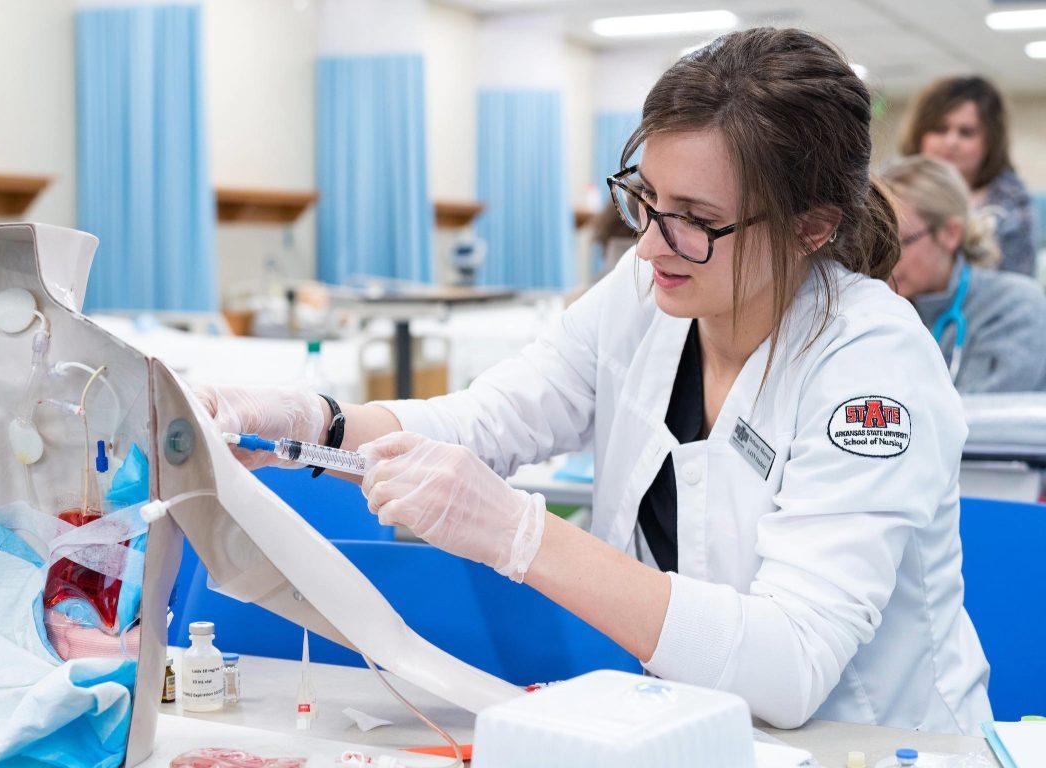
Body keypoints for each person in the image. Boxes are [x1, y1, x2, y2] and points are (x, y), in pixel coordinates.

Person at [200, 28, 991, 733]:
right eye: (644, 200)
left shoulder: (871, 366)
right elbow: (493, 418)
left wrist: (523, 534)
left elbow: (789, 666)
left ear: (810, 226)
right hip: (695, 728)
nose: (650, 245)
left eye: (693, 216)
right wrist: (316, 423)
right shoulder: (649, 289)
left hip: (879, 740)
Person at [880, 155, 1046, 393]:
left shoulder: (1016, 306)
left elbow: (985, 420)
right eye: (878, 245)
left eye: (900, 242)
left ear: (950, 233)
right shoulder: (886, 314)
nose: (886, 260)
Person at [900, 76, 1038, 276]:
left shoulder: (1014, 207)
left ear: (990, 142)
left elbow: (1018, 284)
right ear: (919, 133)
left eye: (966, 132)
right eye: (940, 129)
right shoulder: (888, 190)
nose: (951, 142)